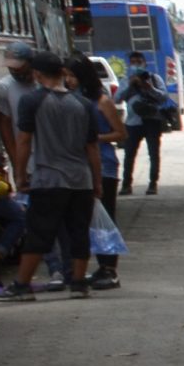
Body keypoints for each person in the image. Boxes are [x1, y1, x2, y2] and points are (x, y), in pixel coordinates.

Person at [9, 49, 100, 300]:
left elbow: (24, 141)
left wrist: (20, 176)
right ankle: (79, 284)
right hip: (81, 179)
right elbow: (92, 147)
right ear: (62, 73)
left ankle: (22, 286)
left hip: (49, 179)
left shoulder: (32, 101)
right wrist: (97, 182)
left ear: (37, 74)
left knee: (39, 232)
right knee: (79, 232)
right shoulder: (82, 104)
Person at [74, 57, 125, 291]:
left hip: (104, 166)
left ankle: (109, 268)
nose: (67, 80)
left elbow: (119, 133)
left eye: (71, 75)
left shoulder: (102, 101)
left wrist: (93, 139)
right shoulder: (72, 100)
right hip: (79, 166)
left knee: (105, 218)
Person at [118, 53, 169, 193]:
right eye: (133, 62)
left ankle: (153, 184)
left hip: (152, 120)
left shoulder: (154, 78)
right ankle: (126, 185)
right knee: (129, 154)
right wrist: (130, 85)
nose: (136, 65)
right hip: (133, 122)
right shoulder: (125, 80)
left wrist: (149, 87)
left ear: (145, 63)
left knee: (153, 153)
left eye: (139, 62)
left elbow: (164, 97)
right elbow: (117, 99)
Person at [0, 41, 34, 167]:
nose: (14, 71)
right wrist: (16, 161)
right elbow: (5, 125)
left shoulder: (43, 82)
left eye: (18, 67)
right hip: (26, 158)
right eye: (11, 68)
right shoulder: (4, 87)